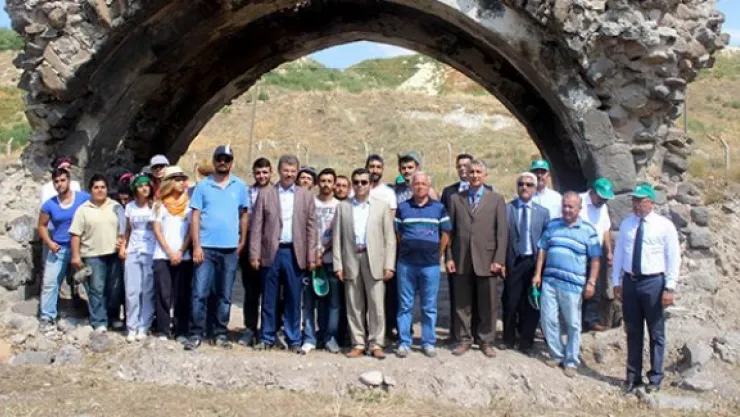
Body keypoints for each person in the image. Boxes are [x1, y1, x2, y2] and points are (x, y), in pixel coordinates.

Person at [613, 183, 680, 394]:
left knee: (655, 331)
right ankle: (633, 377)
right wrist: (616, 281)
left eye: (640, 201)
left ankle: (656, 377)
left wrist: (670, 287)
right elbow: (619, 254)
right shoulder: (627, 224)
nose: (636, 204)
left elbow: (673, 257)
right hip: (631, 281)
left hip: (653, 282)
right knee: (633, 330)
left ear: (651, 202)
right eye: (634, 200)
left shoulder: (664, 226)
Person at [249, 154, 316, 352]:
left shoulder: (305, 195)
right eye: (286, 170)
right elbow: (257, 226)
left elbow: (311, 228)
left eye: (293, 171)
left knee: (293, 298)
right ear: (279, 171)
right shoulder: (266, 193)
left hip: (295, 252)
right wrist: (254, 253)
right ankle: (267, 337)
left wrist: (311, 256)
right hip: (271, 251)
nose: (289, 174)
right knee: (269, 298)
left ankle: (293, 338)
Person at [185, 145, 249, 350]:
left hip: (229, 249)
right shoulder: (203, 186)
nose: (223, 162)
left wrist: (242, 241)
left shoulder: (240, 186)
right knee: (199, 292)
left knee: (224, 294)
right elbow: (195, 216)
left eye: (226, 159)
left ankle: (220, 333)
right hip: (206, 248)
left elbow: (244, 215)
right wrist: (196, 246)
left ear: (231, 162)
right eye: (219, 158)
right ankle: (196, 333)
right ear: (214, 161)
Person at [533, 192, 601, 378]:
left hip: (573, 286)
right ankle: (557, 354)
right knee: (548, 320)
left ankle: (571, 361)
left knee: (572, 323)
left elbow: (595, 259)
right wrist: (537, 274)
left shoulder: (588, 230)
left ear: (579, 208)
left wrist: (591, 282)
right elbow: (542, 249)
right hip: (550, 281)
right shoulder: (552, 225)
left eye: (571, 206)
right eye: (564, 206)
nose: (567, 210)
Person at [445, 159, 507, 358]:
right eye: (471, 172)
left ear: (485, 175)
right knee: (462, 303)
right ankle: (464, 339)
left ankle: (486, 340)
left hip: (487, 259)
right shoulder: (456, 199)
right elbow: (450, 232)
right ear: (466, 174)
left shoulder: (496, 199)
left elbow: (502, 232)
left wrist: (499, 259)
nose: (475, 175)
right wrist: (449, 257)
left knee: (488, 303)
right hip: (462, 257)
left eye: (479, 172)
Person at [333, 168, 396, 359]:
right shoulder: (343, 207)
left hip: (374, 259)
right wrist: (338, 265)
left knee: (377, 305)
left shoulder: (381, 206)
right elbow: (337, 238)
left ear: (370, 184)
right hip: (351, 259)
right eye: (357, 182)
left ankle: (376, 343)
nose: (360, 185)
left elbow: (389, 238)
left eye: (364, 182)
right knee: (354, 304)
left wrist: (389, 264)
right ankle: (358, 343)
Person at [394, 172, 451, 358]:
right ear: (411, 187)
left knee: (429, 306)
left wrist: (439, 253)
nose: (419, 187)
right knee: (405, 305)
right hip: (406, 264)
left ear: (429, 186)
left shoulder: (439, 208)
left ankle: (428, 342)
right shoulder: (403, 208)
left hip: (430, 265)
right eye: (416, 184)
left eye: (423, 184)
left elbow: (446, 233)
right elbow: (398, 233)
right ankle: (404, 342)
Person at [69, 175, 125, 333]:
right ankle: (99, 321)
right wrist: (76, 256)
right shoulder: (83, 210)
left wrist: (122, 242)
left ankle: (113, 317)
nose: (100, 190)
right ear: (90, 190)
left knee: (115, 289)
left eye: (103, 187)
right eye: (96, 187)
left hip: (113, 254)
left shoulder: (115, 206)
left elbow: (125, 228)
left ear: (107, 189)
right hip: (93, 255)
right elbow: (75, 235)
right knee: (96, 290)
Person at [37, 168, 90, 331]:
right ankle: (47, 317)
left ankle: (97, 316)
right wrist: (49, 242)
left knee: (90, 281)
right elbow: (42, 225)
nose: (59, 184)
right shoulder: (49, 204)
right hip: (58, 248)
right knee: (50, 282)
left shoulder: (83, 198)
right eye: (56, 181)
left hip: (81, 247)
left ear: (69, 180)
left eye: (62, 180)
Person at [502, 172, 550, 353]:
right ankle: (508, 338)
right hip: (514, 261)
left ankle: (526, 341)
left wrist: (541, 268)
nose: (525, 187)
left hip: (534, 262)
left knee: (531, 302)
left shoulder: (543, 213)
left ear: (536, 188)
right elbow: (502, 237)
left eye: (529, 185)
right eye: (521, 184)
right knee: (510, 301)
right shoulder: (508, 209)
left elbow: (545, 241)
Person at [301, 168, 341, 354]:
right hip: (310, 260)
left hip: (332, 260)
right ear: (318, 183)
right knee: (309, 303)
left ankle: (329, 337)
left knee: (332, 303)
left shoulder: (340, 206)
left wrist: (323, 251)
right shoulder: (310, 203)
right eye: (323, 181)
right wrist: (313, 254)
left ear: (334, 184)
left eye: (329, 181)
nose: (326, 184)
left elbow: (339, 233)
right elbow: (304, 230)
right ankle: (309, 338)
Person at [152, 166, 193, 343]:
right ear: (169, 182)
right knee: (163, 293)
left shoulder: (190, 204)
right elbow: (157, 230)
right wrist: (169, 252)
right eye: (177, 179)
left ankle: (181, 329)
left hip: (183, 255)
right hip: (162, 255)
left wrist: (181, 251)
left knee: (182, 294)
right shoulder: (159, 204)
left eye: (183, 179)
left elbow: (191, 230)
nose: (181, 183)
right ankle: (162, 329)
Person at [238, 157, 273, 346]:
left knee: (271, 294)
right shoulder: (247, 193)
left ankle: (269, 330)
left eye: (265, 172)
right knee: (251, 292)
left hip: (270, 249)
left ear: (271, 173)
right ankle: (250, 328)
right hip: (249, 247)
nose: (261, 176)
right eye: (258, 172)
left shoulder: (276, 193)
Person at [119, 174, 157, 342]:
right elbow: (127, 230)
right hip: (133, 250)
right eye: (141, 186)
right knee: (132, 290)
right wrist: (123, 246)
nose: (144, 188)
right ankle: (132, 326)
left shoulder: (155, 206)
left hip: (150, 250)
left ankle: (144, 325)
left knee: (147, 290)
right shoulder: (130, 207)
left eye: (147, 185)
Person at [579, 178, 615, 332]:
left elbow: (605, 229)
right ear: (592, 192)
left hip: (596, 252)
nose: (602, 201)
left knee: (596, 287)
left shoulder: (603, 207)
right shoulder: (578, 201)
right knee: (578, 287)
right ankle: (575, 323)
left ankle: (590, 321)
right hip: (578, 250)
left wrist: (609, 251)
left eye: (605, 199)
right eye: (600, 198)